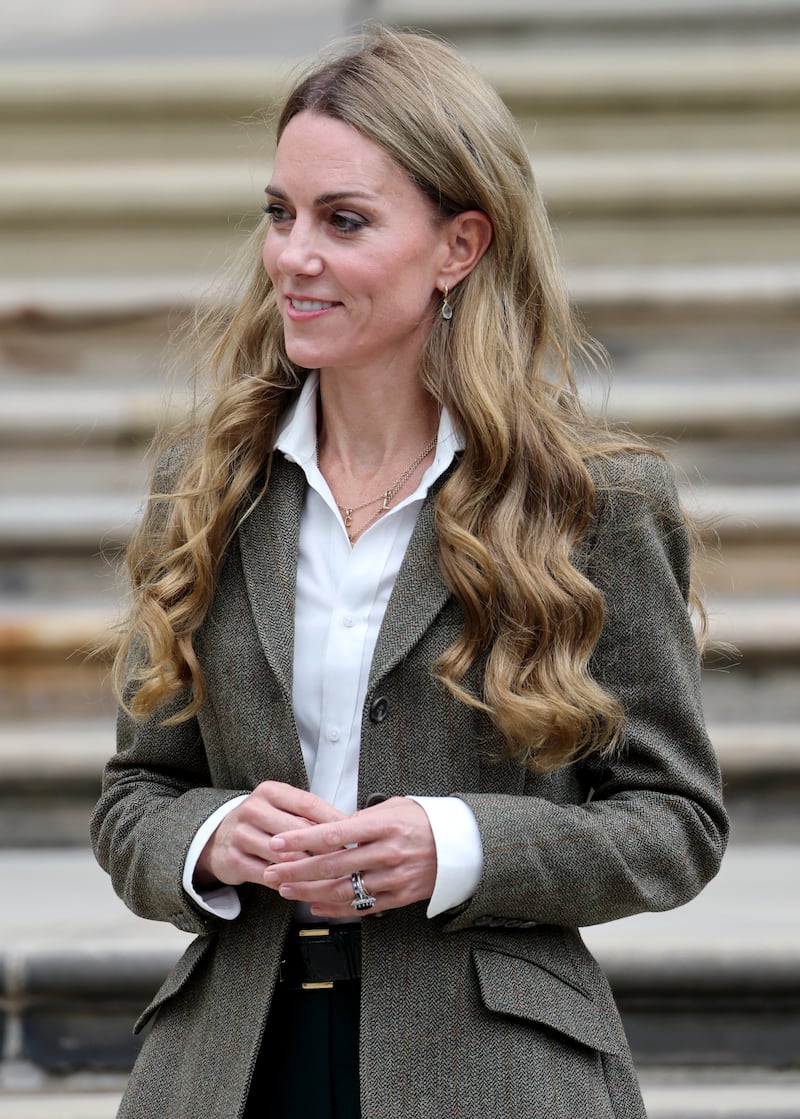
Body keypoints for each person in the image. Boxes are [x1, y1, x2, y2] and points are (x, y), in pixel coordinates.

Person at [91, 25, 728, 1119]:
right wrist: (209, 837)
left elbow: (674, 824)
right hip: (229, 1067)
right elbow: (133, 795)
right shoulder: (202, 488)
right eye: (278, 215)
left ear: (457, 246)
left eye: (343, 221)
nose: (293, 255)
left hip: (495, 1074)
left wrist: (459, 844)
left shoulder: (592, 501)